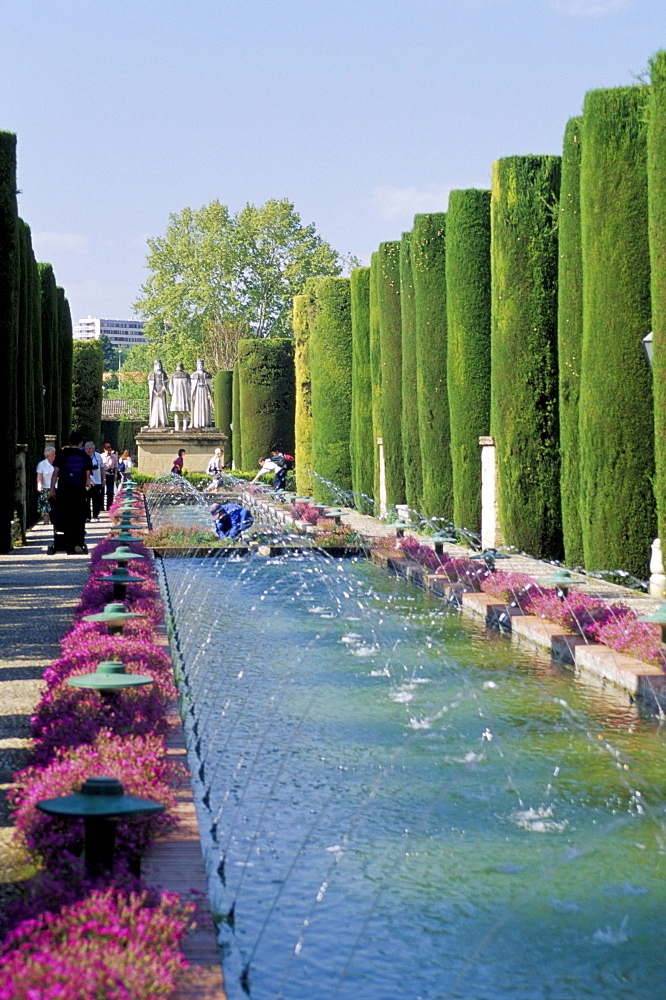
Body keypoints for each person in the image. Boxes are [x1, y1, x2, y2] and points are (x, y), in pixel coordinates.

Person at [48, 431, 93, 554]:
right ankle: (78, 542)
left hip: (64, 489)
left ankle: (67, 542)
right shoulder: (84, 456)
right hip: (79, 490)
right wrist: (88, 485)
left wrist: (52, 490)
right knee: (79, 516)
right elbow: (87, 475)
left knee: (65, 515)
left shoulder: (62, 454)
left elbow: (55, 473)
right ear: (81, 442)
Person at [190, 358, 213, 428]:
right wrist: (193, 395)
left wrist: (209, 394)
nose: (200, 366)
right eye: (199, 365)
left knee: (205, 407)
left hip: (204, 392)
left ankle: (205, 422)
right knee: (197, 407)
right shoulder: (193, 375)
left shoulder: (207, 375)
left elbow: (209, 386)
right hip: (197, 393)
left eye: (201, 365)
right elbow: (192, 386)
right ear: (197, 365)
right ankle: (197, 422)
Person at [169, 362, 192, 431]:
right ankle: (184, 427)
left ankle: (177, 427)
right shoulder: (186, 375)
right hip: (183, 396)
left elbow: (170, 386)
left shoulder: (173, 375)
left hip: (176, 396)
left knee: (177, 412)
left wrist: (172, 393)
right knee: (185, 412)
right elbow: (189, 386)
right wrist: (189, 394)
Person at [36, 446, 56, 524]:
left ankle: (55, 518)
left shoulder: (57, 463)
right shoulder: (42, 464)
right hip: (46, 487)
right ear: (48, 455)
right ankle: (46, 519)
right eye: (53, 454)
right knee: (45, 504)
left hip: (56, 487)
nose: (54, 456)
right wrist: (39, 484)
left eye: (54, 454)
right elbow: (39, 476)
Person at [148, 359, 170, 428]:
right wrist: (155, 392)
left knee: (162, 408)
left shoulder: (164, 374)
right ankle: (154, 422)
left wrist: (162, 390)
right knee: (154, 407)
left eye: (159, 365)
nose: (158, 366)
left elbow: (165, 384)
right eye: (157, 365)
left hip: (162, 394)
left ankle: (163, 422)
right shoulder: (151, 374)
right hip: (154, 394)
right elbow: (151, 385)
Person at [84, 441, 103, 521]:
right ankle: (87, 516)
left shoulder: (98, 456)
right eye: (87, 448)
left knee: (96, 500)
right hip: (86, 482)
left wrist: (103, 479)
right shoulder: (83, 456)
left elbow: (102, 468)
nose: (88, 450)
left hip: (97, 481)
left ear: (93, 449)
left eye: (90, 448)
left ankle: (95, 515)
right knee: (86, 500)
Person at [100, 442, 119, 510]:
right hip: (103, 475)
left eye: (110, 450)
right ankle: (101, 506)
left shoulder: (114, 457)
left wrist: (116, 475)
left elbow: (116, 467)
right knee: (102, 491)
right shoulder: (101, 456)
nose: (109, 452)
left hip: (111, 475)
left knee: (110, 492)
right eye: (108, 450)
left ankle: (109, 506)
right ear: (104, 449)